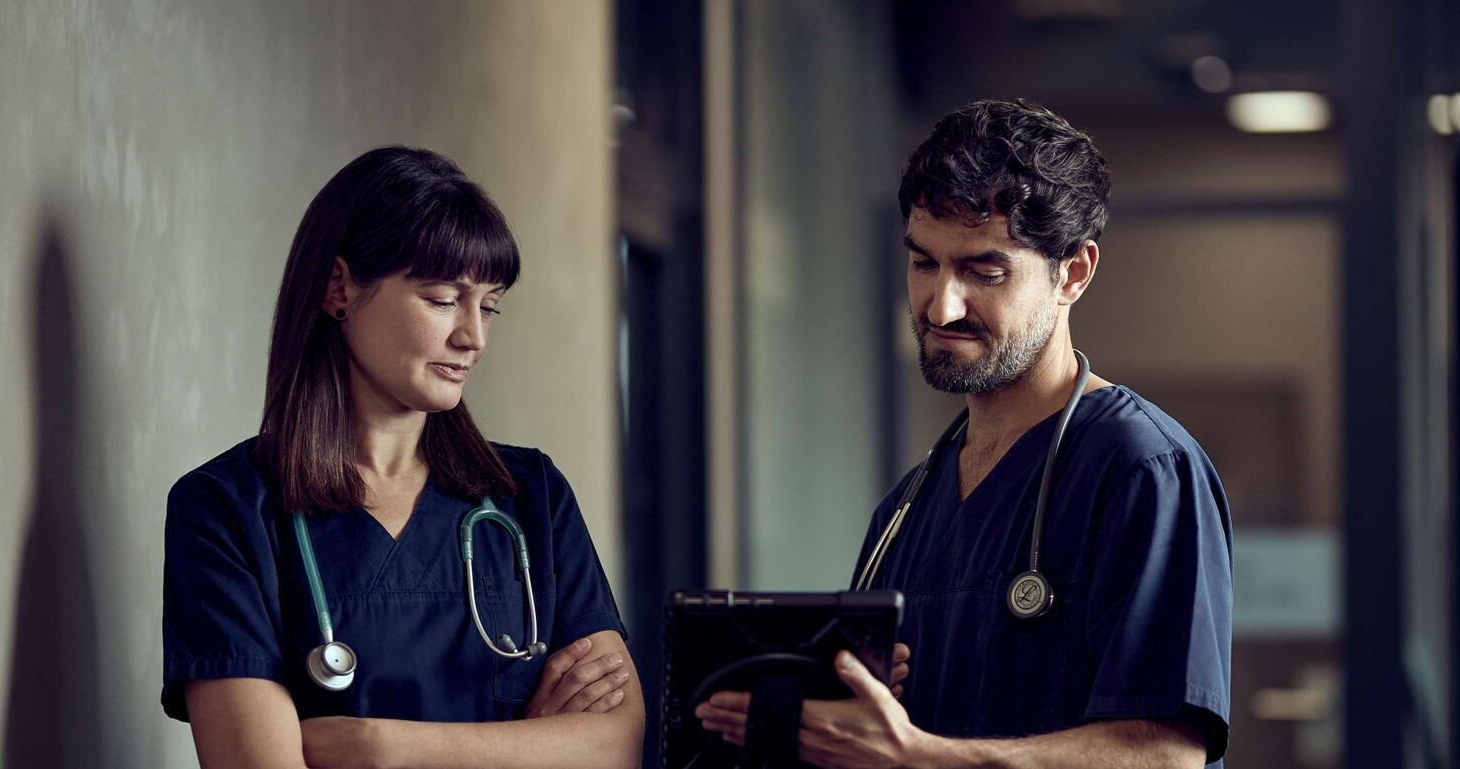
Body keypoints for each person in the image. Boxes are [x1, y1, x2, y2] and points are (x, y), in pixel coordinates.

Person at [698, 99, 1233, 768]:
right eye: (924, 264)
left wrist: (916, 755)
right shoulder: (906, 509)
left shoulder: (1142, 468)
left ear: (1074, 273)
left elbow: (1165, 752)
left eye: (984, 271)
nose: (941, 305)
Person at [161, 146, 643, 768]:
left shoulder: (532, 497)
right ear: (340, 288)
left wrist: (380, 746)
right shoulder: (226, 510)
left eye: (489, 305)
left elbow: (616, 746)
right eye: (443, 299)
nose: (472, 336)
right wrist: (527, 745)